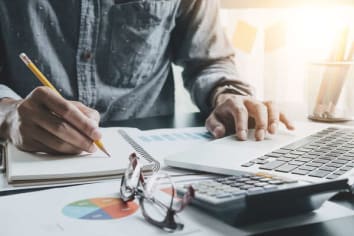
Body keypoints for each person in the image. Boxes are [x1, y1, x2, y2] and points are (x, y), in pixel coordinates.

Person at [0, 0, 294, 155]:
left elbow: (209, 60)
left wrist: (228, 93)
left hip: (152, 167)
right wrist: (8, 115)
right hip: (25, 158)